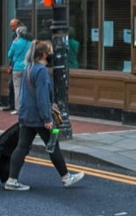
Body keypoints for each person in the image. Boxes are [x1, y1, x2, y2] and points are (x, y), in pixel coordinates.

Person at [5, 39, 84, 191]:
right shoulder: (41, 71)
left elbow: (24, 93)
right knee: (53, 146)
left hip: (27, 115)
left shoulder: (29, 67)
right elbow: (42, 97)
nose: (54, 53)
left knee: (21, 147)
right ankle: (66, 178)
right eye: (51, 50)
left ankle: (11, 180)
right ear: (44, 54)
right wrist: (47, 118)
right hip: (40, 117)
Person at [6, 25, 33, 116]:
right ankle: (28, 107)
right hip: (27, 68)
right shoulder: (30, 43)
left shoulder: (15, 43)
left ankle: (18, 108)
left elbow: (9, 55)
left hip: (17, 68)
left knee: (17, 88)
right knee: (27, 88)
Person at [2, 18, 21, 111]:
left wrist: (11, 66)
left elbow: (12, 54)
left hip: (17, 66)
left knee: (14, 86)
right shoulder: (15, 36)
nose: (11, 28)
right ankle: (12, 104)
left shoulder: (17, 39)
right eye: (11, 26)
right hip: (18, 65)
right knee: (13, 86)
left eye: (13, 26)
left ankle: (15, 106)